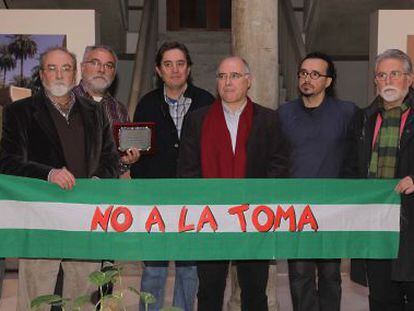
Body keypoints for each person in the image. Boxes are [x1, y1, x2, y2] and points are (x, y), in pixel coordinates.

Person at [0, 47, 119, 311]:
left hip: (84, 221)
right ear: (41, 75)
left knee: (83, 300)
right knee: (36, 300)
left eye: (66, 68)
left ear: (75, 74)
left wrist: (100, 178)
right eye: (52, 68)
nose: (59, 74)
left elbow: (111, 158)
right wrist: (48, 174)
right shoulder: (19, 112)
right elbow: (7, 162)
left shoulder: (95, 111)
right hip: (40, 222)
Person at [177, 56, 289, 311]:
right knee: (209, 290)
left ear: (248, 81)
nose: (227, 82)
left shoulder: (268, 119)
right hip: (210, 220)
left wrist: (259, 202)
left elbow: (279, 165)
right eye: (222, 76)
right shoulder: (197, 120)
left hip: (254, 218)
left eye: (235, 76)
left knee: (254, 290)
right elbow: (187, 169)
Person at [131, 41, 214, 311]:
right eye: (168, 64)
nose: (175, 70)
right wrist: (140, 187)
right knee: (154, 269)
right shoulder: (146, 104)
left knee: (189, 269)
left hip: (194, 200)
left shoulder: (207, 102)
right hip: (155, 200)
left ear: (188, 68)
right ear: (158, 70)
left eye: (180, 64)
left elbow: (214, 149)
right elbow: (138, 155)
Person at [277, 52, 357, 311]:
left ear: (328, 81)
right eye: (302, 73)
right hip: (296, 211)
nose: (306, 79)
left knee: (331, 275)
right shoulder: (284, 114)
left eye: (314, 74)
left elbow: (355, 157)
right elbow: (276, 159)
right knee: (300, 276)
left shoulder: (347, 112)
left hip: (333, 208)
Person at [350, 48, 414, 310]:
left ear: (409, 79)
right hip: (376, 230)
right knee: (382, 300)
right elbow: (351, 168)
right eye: (381, 75)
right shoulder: (362, 119)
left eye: (395, 74)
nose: (388, 80)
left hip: (411, 228)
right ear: (375, 80)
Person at [73, 45, 139, 178]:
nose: (102, 70)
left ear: (114, 74)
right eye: (95, 63)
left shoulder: (120, 110)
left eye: (109, 66)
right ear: (82, 67)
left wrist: (126, 161)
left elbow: (119, 162)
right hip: (72, 189)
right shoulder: (65, 102)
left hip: (109, 191)